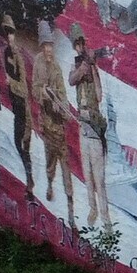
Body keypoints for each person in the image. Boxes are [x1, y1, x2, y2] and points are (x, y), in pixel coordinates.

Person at [32, 21, 77, 227]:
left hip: (58, 124)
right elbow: (35, 90)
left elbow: (62, 92)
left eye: (51, 45)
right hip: (47, 125)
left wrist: (62, 106)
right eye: (46, 46)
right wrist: (44, 95)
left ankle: (70, 209)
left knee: (66, 165)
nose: (49, 49)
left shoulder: (57, 67)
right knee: (50, 163)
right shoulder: (38, 63)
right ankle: (50, 184)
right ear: (42, 46)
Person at [68, 26, 110, 229]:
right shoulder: (76, 67)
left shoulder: (92, 70)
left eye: (81, 44)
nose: (79, 47)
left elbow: (100, 96)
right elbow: (71, 80)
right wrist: (83, 67)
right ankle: (92, 209)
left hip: (93, 125)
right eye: (76, 45)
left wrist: (92, 67)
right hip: (82, 125)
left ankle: (105, 216)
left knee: (99, 178)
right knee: (87, 175)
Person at [0, 13, 34, 192]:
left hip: (23, 109)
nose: (9, 37)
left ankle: (30, 180)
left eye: (11, 33)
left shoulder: (18, 55)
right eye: (6, 33)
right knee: (19, 144)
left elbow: (23, 88)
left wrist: (10, 82)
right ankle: (30, 179)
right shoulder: (6, 53)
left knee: (23, 145)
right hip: (15, 108)